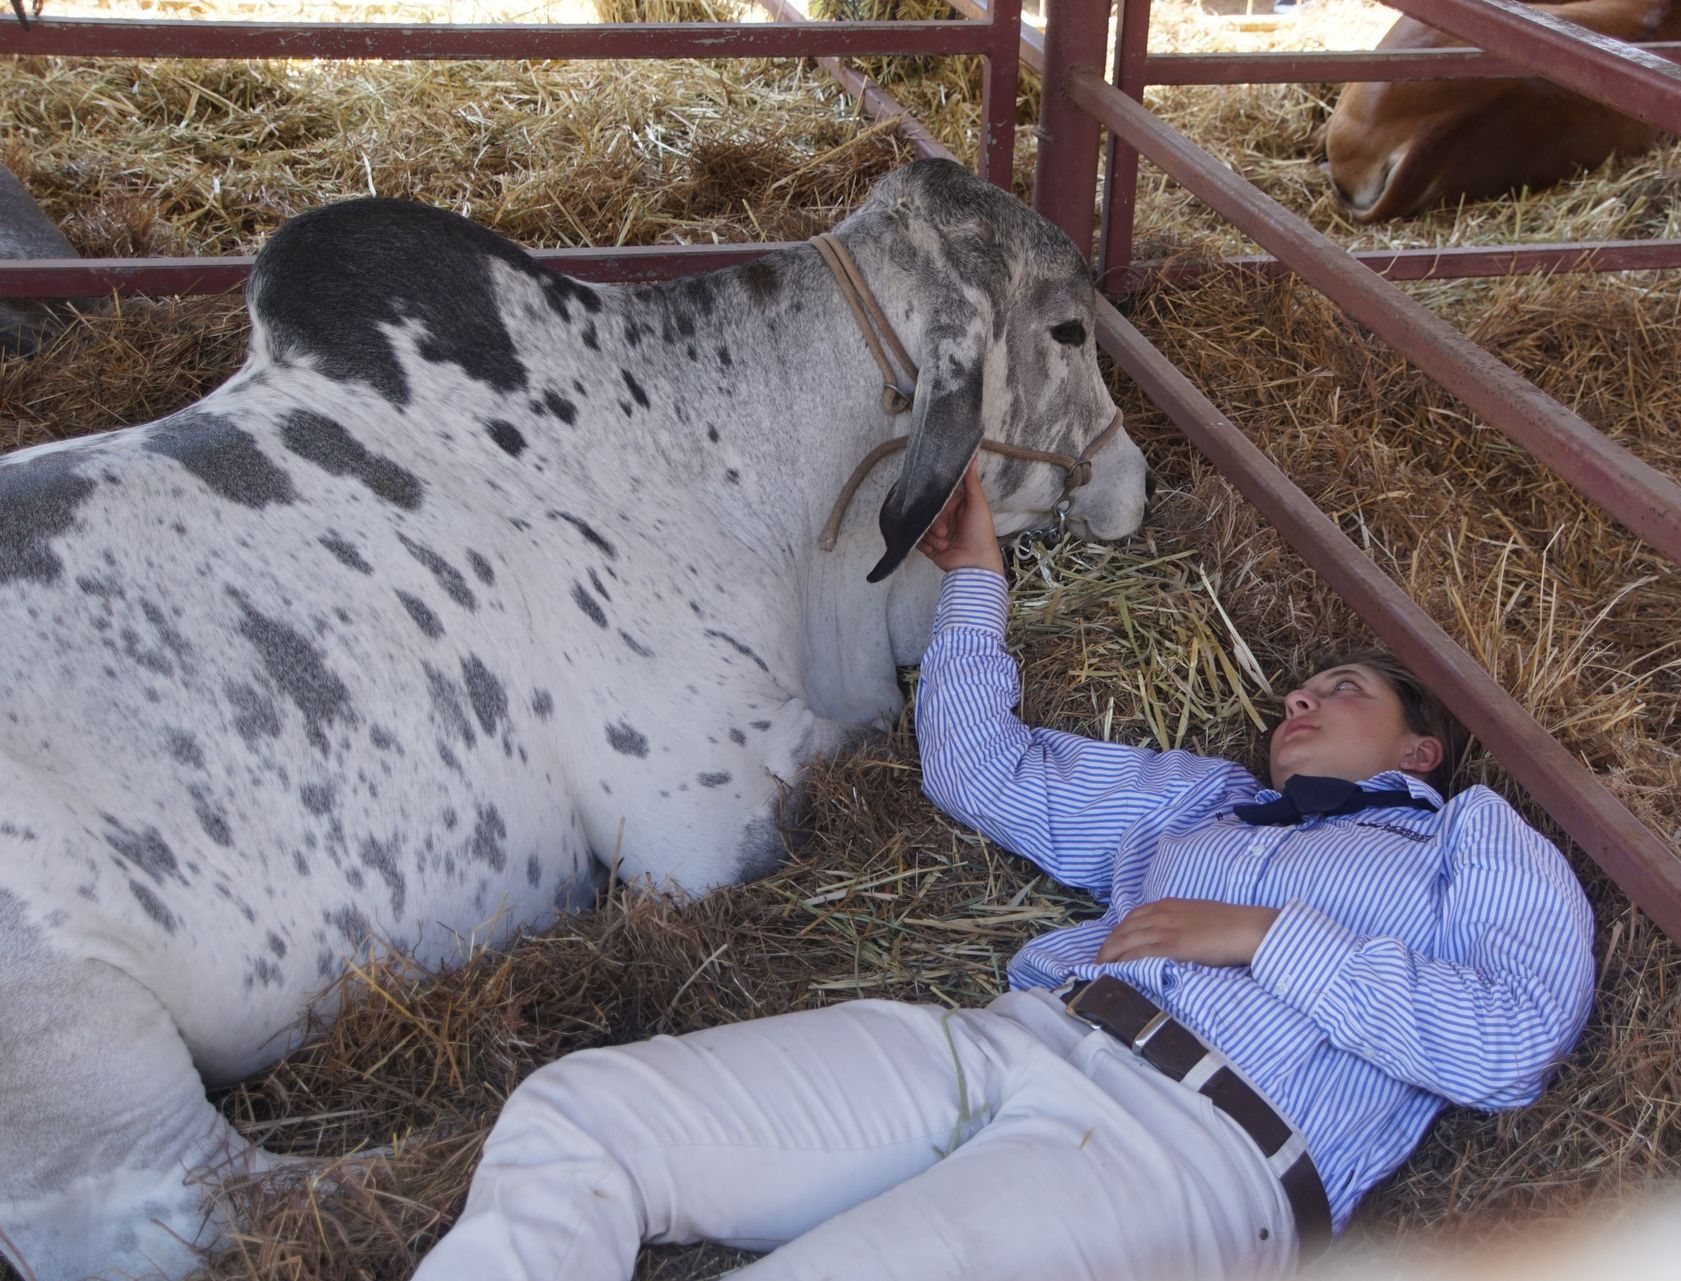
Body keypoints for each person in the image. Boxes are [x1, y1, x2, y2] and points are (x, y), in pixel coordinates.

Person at [410, 461, 1596, 1281]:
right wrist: (975, 579)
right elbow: (982, 770)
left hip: (1195, 1157)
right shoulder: (1200, 805)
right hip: (1021, 1040)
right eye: (1302, 683)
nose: (1303, 694)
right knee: (581, 1116)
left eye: (1345, 690)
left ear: (1422, 751)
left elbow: (1505, 1046)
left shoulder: (1466, 842)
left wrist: (1260, 937)